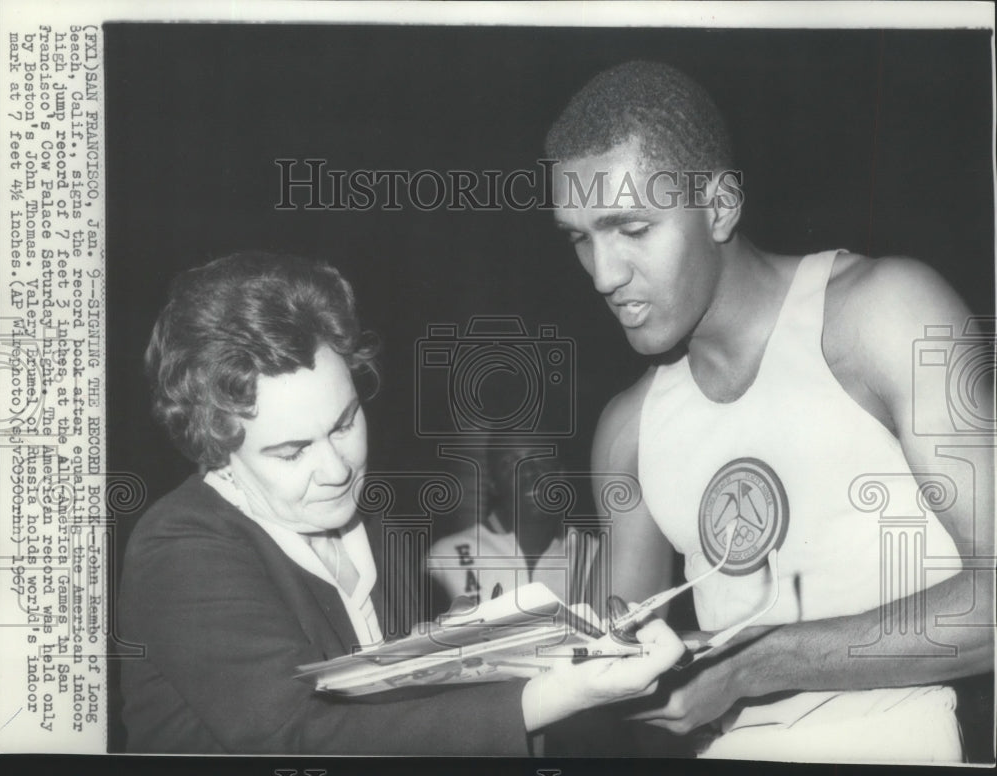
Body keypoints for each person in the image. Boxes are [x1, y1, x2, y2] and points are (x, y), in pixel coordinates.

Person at [545, 61, 994, 762]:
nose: (604, 274)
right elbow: (611, 683)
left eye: (630, 227)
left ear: (720, 206)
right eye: (579, 237)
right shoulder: (628, 429)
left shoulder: (883, 314)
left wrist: (755, 663)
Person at [117, 251, 686, 755]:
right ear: (216, 445)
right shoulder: (179, 548)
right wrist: (556, 693)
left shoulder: (371, 523)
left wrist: (499, 652)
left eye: (343, 424)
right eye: (292, 452)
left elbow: (397, 710)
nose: (337, 470)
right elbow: (301, 737)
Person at [428, 441, 570, 609]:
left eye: (540, 457)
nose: (529, 472)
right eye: (510, 463)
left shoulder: (593, 555)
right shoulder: (446, 558)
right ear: (493, 484)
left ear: (561, 472)